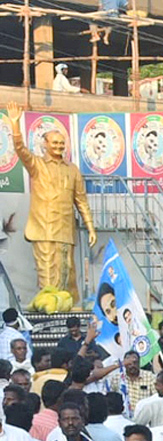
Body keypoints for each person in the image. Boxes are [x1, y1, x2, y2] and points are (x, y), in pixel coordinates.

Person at [4, 104, 97, 300]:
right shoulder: (36, 165)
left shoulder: (72, 170)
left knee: (66, 268)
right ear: (45, 144)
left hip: (65, 228)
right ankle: (49, 303)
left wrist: (91, 228)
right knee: (46, 267)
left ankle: (65, 303)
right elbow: (20, 150)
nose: (58, 147)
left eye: (61, 143)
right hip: (43, 226)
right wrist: (14, 124)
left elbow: (81, 201)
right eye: (54, 143)